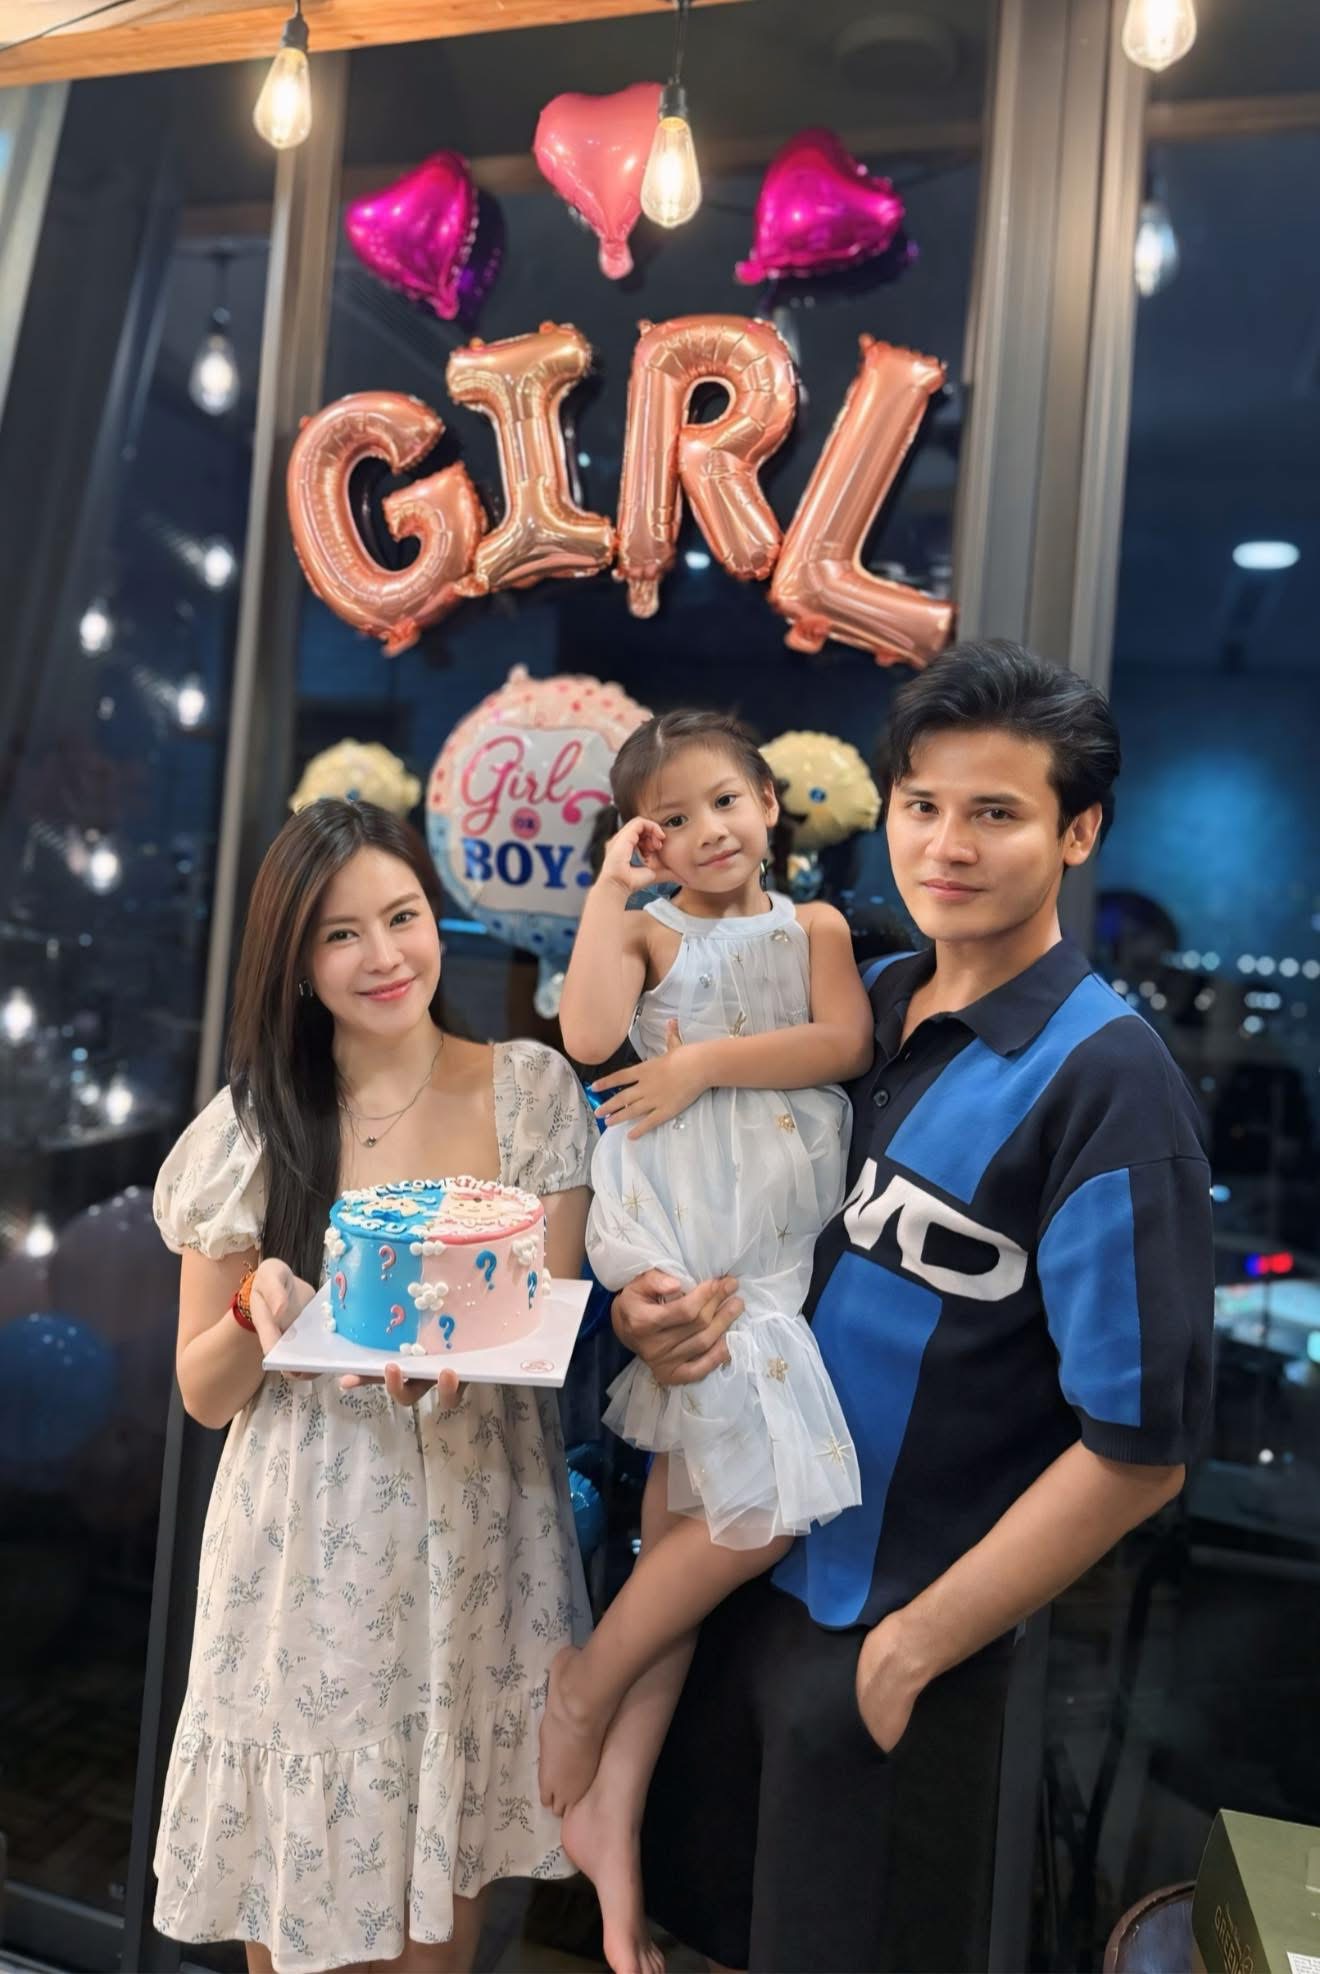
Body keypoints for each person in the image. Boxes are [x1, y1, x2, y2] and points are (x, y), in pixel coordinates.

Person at [615, 642, 1215, 1973]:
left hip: (894, 1652)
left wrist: (905, 1654)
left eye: (997, 812)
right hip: (736, 1590)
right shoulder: (856, 1009)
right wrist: (654, 1318)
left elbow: (1141, 1449)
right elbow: (725, 1216)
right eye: (922, 804)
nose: (947, 845)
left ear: (1078, 832)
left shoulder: (1109, 1085)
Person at [151, 798, 595, 1974]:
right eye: (341, 934)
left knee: (433, 1928)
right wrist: (255, 1306)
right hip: (305, 1547)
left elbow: (539, 1325)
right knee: (294, 1912)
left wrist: (450, 1376)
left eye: (403, 916)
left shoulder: (529, 1092)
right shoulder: (255, 1126)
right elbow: (203, 1393)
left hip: (474, 1534)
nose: (384, 955)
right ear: (296, 962)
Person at [541, 711, 874, 1974]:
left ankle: (608, 1815)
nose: (708, 832)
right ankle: (587, 1701)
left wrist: (703, 1067)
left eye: (726, 802)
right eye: (672, 819)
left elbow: (843, 1044)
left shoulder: (817, 927)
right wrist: (606, 893)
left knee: (695, 1537)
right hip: (689, 1239)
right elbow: (587, 1036)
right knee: (753, 1520)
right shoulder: (644, 929)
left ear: (770, 803)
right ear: (644, 839)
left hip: (768, 1250)